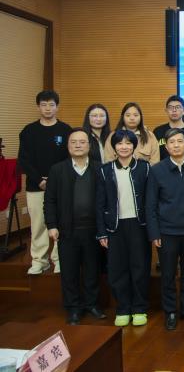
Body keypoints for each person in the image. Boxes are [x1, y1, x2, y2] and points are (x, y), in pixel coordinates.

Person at [146, 128, 184, 330]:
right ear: (166, 146)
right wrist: (154, 232)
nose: (176, 145)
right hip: (167, 232)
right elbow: (150, 204)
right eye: (171, 142)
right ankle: (171, 311)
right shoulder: (157, 170)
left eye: (180, 141)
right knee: (168, 275)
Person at [44, 128, 105, 325]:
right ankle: (73, 308)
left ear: (89, 145)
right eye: (73, 142)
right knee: (69, 272)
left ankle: (91, 304)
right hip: (67, 230)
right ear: (68, 145)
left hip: (93, 230)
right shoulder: (57, 170)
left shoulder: (99, 168)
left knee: (92, 270)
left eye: (82, 142)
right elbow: (50, 201)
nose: (78, 145)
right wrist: (52, 225)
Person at [96, 130, 151, 327]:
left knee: (140, 267)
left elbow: (151, 200)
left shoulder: (144, 168)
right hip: (114, 227)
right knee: (117, 269)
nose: (124, 147)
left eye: (128, 143)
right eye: (120, 143)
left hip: (139, 225)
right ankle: (122, 308)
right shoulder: (105, 170)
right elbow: (99, 203)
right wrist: (101, 232)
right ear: (114, 147)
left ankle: (139, 308)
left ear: (134, 146)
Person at [19, 90, 71, 275]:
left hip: (60, 186)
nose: (48, 108)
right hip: (36, 186)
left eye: (51, 105)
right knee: (38, 225)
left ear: (57, 107)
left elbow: (69, 159)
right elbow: (24, 160)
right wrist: (40, 180)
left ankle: (59, 259)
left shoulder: (66, 130)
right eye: (43, 105)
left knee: (61, 223)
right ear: (38, 107)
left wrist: (55, 180)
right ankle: (39, 261)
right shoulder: (28, 131)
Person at [153, 95, 184, 160]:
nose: (174, 110)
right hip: (163, 166)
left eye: (178, 107)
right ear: (166, 111)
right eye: (170, 107)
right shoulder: (158, 131)